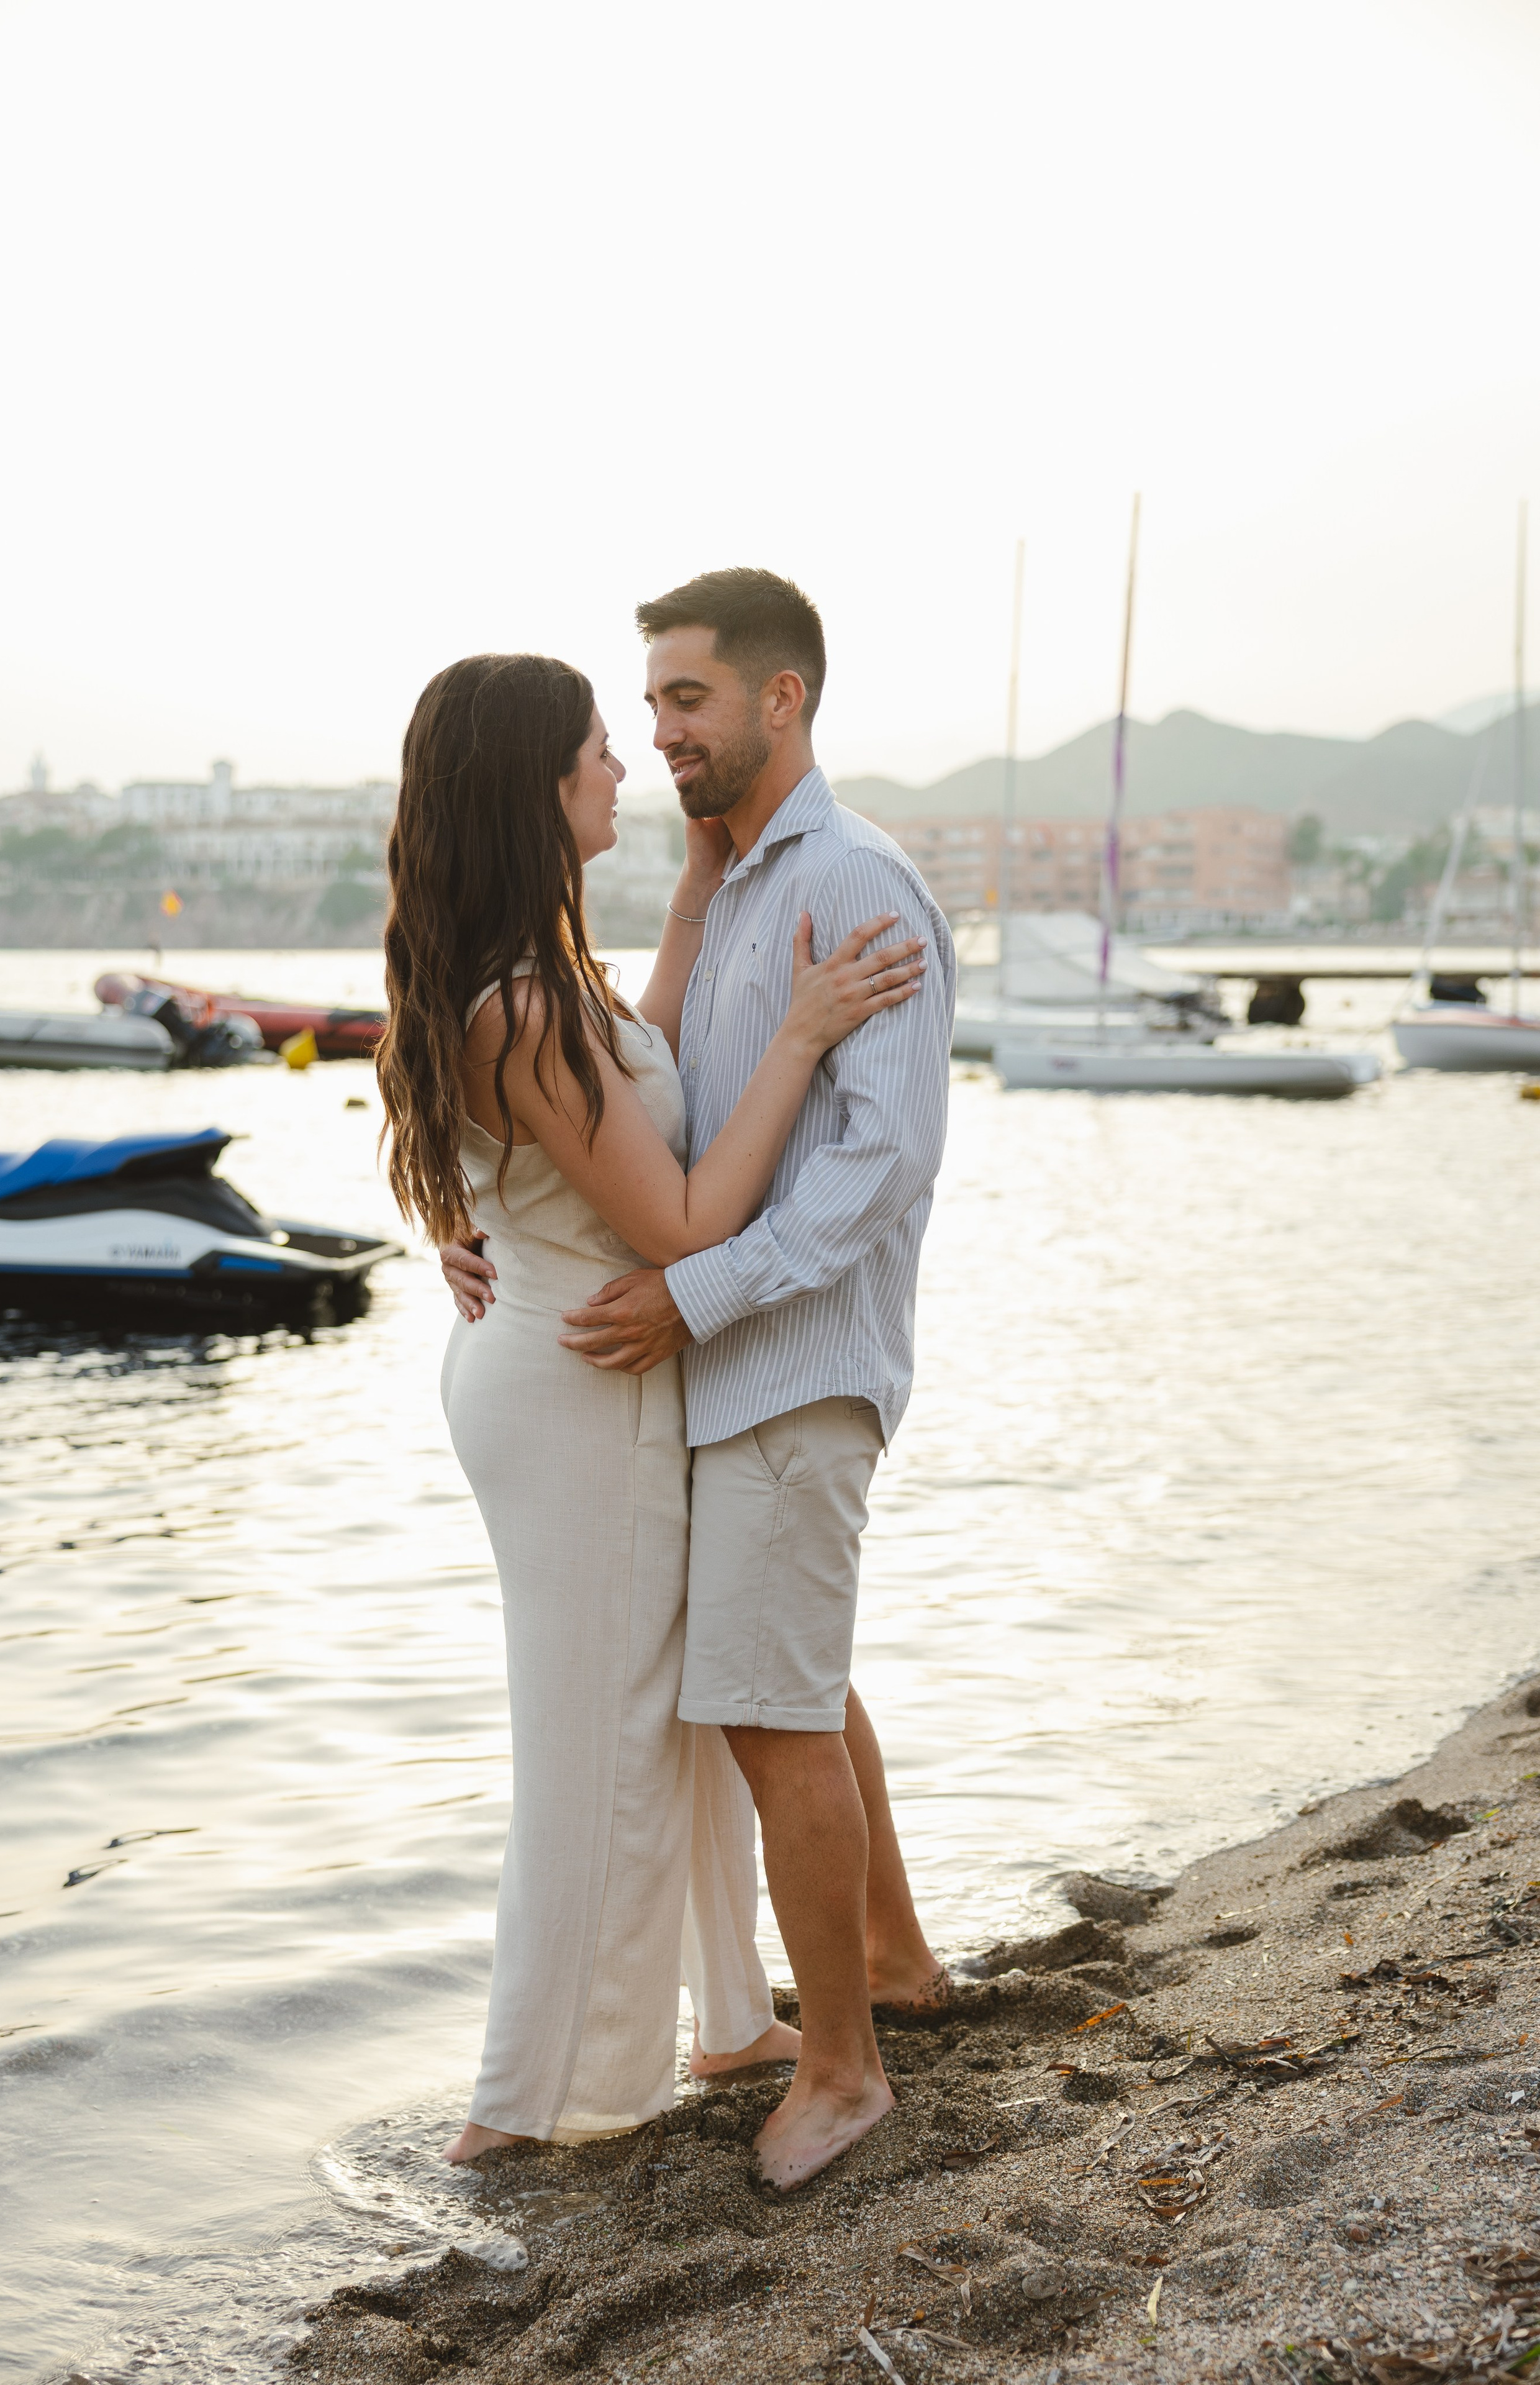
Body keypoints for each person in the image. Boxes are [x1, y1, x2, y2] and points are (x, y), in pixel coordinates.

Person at [442, 570, 958, 2187]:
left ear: (780, 699)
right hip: (704, 1362)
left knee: (764, 1698)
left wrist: (688, 1294)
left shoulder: (854, 885)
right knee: (777, 1673)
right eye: (641, 711)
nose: (658, 734)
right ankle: (881, 1966)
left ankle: (845, 2067)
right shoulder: (733, 889)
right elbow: (619, 1102)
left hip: (783, 1352)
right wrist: (482, 1221)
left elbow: (877, 1166)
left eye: (684, 701)